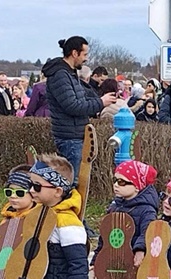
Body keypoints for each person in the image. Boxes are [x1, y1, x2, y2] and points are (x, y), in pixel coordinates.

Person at [42, 37, 116, 181]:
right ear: (75, 53)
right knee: (71, 184)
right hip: (70, 139)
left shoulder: (69, 73)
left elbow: (81, 100)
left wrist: (98, 101)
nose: (86, 59)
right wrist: (100, 102)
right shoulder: (60, 75)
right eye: (85, 54)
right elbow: (73, 106)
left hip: (75, 136)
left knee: (76, 185)